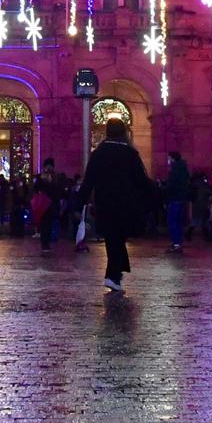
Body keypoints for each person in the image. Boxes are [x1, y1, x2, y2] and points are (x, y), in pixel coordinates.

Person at [78, 119, 155, 293]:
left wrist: (79, 201)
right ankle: (113, 275)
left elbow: (88, 180)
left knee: (113, 238)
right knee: (118, 238)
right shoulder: (130, 153)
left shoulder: (99, 153)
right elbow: (141, 179)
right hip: (126, 203)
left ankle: (115, 274)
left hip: (105, 202)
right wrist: (153, 194)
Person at [162, 150, 192, 252]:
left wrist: (164, 188)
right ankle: (178, 243)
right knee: (178, 222)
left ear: (172, 158)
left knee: (173, 222)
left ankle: (176, 244)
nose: (168, 160)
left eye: (169, 158)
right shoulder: (183, 169)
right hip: (181, 199)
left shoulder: (174, 170)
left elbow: (171, 186)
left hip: (174, 198)